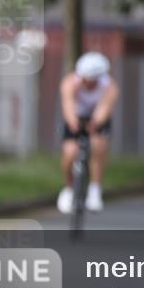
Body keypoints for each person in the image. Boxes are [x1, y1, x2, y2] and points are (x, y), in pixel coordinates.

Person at [57, 52, 120, 214]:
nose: (89, 84)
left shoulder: (110, 86)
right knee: (70, 152)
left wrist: (96, 123)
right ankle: (69, 188)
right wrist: (73, 123)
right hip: (76, 116)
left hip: (97, 117)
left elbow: (105, 108)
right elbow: (69, 105)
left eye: (93, 80)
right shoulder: (70, 82)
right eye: (86, 79)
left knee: (98, 146)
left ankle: (95, 189)